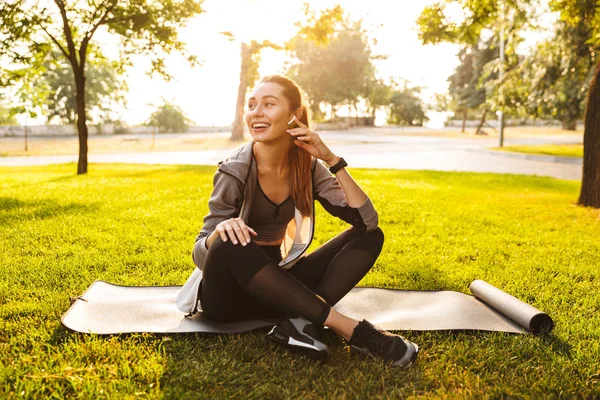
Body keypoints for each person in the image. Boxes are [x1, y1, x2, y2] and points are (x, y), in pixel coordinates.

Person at [176, 74, 418, 367]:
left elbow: (366, 220)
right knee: (229, 242)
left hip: (279, 285)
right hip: (228, 296)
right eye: (252, 105)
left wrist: (331, 159)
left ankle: (299, 320)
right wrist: (219, 233)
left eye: (268, 104)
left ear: (294, 115)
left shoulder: (308, 167)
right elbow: (201, 253)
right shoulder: (235, 170)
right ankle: (352, 330)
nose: (256, 113)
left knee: (371, 235)